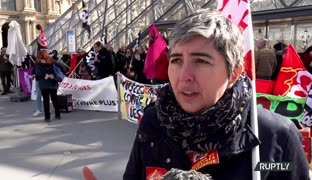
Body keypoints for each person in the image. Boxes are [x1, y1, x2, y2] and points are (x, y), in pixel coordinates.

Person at [83, 9, 310, 180]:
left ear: (234, 73)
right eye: (176, 60)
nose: (184, 76)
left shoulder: (275, 137)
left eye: (201, 61)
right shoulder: (153, 122)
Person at [33, 50, 61, 122]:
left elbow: (37, 73)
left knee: (46, 100)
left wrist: (46, 76)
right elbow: (61, 68)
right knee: (54, 99)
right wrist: (53, 75)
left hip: (44, 84)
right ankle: (58, 114)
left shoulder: (37, 64)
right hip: (53, 83)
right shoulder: (52, 61)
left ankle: (47, 117)